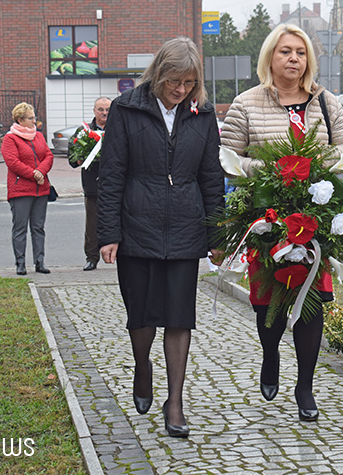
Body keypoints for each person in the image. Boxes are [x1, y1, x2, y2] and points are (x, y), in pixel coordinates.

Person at [220, 24, 343, 423]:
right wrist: (272, 171)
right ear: (270, 57)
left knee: (311, 305)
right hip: (268, 219)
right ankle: (270, 356)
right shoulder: (246, 103)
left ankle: (305, 388)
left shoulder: (326, 102)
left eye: (300, 52)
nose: (293, 59)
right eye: (285, 52)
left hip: (315, 217)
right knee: (269, 306)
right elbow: (227, 159)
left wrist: (311, 169)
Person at [99, 37, 224, 438]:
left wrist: (216, 233)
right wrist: (108, 233)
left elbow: (211, 176)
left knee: (178, 316)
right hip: (137, 226)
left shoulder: (201, 113)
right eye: (174, 81)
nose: (180, 90)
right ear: (158, 74)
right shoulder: (126, 108)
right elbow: (112, 173)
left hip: (187, 228)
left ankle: (175, 401)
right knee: (141, 314)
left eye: (188, 82)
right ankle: (142, 366)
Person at [2, 102, 53, 276]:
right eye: (31, 118)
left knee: (38, 227)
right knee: (20, 228)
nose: (34, 121)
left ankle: (40, 261)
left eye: (34, 118)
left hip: (41, 189)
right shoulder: (10, 138)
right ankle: (20, 262)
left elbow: (48, 155)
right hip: (21, 189)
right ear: (20, 120)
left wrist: (41, 171)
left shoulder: (38, 136)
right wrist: (34, 174)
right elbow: (13, 162)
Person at [69, 96, 111, 271]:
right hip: (92, 186)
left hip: (115, 185)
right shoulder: (84, 131)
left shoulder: (118, 128)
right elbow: (72, 156)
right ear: (94, 111)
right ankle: (91, 258)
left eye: (108, 110)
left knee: (119, 221)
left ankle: (121, 256)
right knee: (92, 225)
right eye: (101, 109)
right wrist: (80, 157)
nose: (104, 113)